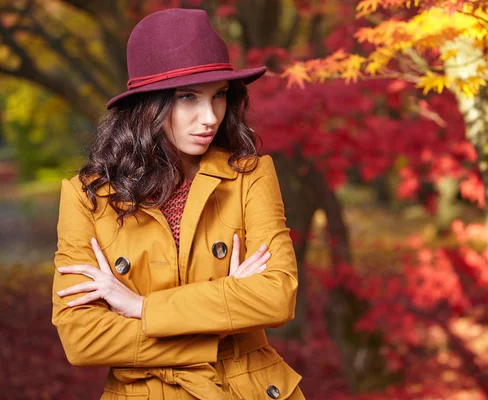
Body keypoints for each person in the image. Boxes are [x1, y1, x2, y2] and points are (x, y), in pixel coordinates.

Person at [51, 8, 303, 400]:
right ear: (147, 106)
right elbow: (81, 339)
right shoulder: (88, 198)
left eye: (219, 96)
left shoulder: (249, 176)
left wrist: (141, 307)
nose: (210, 118)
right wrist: (222, 316)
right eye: (188, 98)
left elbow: (278, 296)